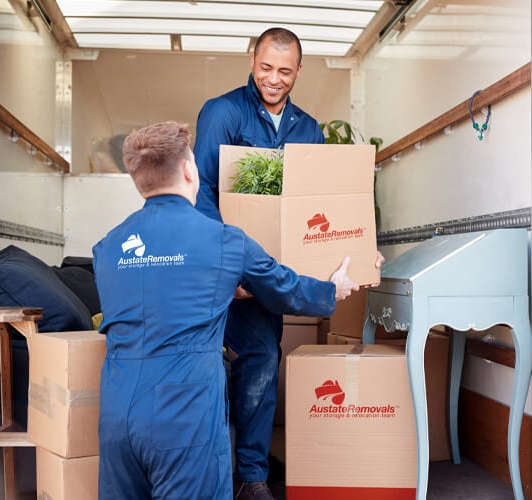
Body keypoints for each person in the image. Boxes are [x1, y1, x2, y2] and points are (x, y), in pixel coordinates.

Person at [92, 121, 359, 499]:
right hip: (185, 414)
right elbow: (286, 290)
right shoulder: (224, 240)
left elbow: (158, 295)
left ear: (138, 180)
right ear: (189, 170)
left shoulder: (107, 248)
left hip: (117, 413)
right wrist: (333, 288)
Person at [193, 27, 363, 500]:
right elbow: (201, 194)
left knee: (264, 358)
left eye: (285, 71)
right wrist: (227, 269)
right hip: (221, 273)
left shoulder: (308, 130)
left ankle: (251, 477)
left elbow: (320, 208)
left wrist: (357, 245)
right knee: (218, 361)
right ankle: (216, 471)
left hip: (271, 275)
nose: (273, 79)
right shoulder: (222, 112)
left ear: (299, 71)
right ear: (252, 59)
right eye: (266, 67)